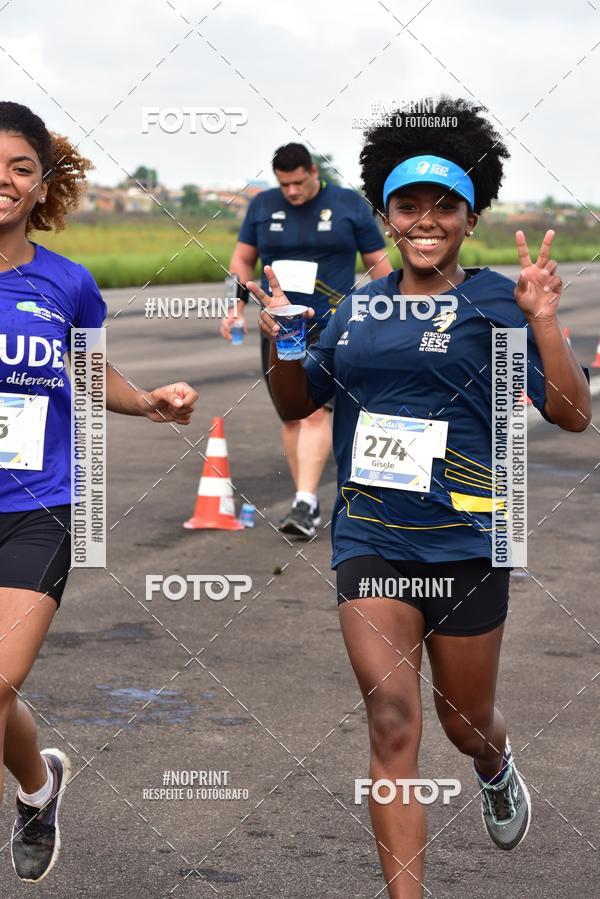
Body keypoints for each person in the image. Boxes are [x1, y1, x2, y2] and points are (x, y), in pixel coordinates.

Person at [250, 97, 592, 898]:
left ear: (471, 217)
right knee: (392, 720)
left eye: (446, 205)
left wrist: (543, 321)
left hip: (471, 543)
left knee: (463, 720)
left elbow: (574, 415)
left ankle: (494, 764)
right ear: (386, 216)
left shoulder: (502, 301)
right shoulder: (359, 308)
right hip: (372, 538)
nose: (427, 219)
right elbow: (296, 406)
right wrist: (286, 344)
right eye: (410, 205)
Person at [0, 101, 198, 884]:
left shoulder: (69, 284)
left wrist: (147, 400)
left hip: (36, 509)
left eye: (21, 167)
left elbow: (88, 371)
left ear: (44, 185)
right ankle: (39, 787)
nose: (4, 181)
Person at [220, 142, 391, 538]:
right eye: (285, 184)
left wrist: (387, 316)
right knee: (292, 411)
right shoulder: (262, 206)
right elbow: (241, 260)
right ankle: (305, 500)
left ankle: (306, 501)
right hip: (279, 324)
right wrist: (234, 307)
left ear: (313, 172)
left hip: (331, 325)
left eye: (298, 183)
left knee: (316, 412)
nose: (292, 192)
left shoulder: (348, 204)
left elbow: (378, 266)